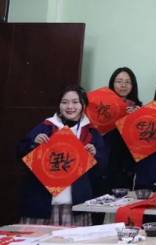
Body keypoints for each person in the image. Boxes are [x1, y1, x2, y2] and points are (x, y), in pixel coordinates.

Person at [18, 85, 106, 226]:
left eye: (75, 102)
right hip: (43, 203)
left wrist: (95, 155)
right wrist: (34, 144)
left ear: (83, 105)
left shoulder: (91, 132)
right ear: (59, 105)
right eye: (65, 102)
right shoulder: (46, 127)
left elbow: (102, 169)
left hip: (74, 205)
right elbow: (21, 153)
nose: (70, 106)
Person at [101, 67, 142, 192]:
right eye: (119, 81)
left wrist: (136, 119)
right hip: (106, 158)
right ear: (112, 83)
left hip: (126, 163)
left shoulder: (138, 108)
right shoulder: (102, 106)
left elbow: (142, 141)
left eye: (127, 82)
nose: (123, 85)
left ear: (133, 85)